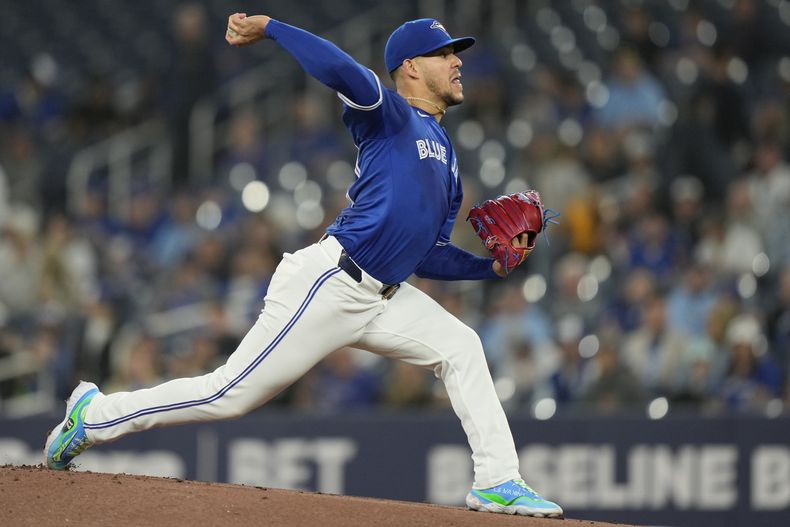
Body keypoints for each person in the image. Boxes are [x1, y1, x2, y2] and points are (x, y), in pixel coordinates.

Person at [44, 14, 563, 518]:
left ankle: (497, 480)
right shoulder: (389, 115)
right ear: (410, 66)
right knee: (227, 394)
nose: (457, 61)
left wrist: (489, 270)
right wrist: (272, 28)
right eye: (444, 53)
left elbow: (427, 254)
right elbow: (340, 69)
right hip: (332, 281)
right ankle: (93, 417)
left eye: (456, 54)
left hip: (384, 297)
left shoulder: (448, 159)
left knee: (462, 346)